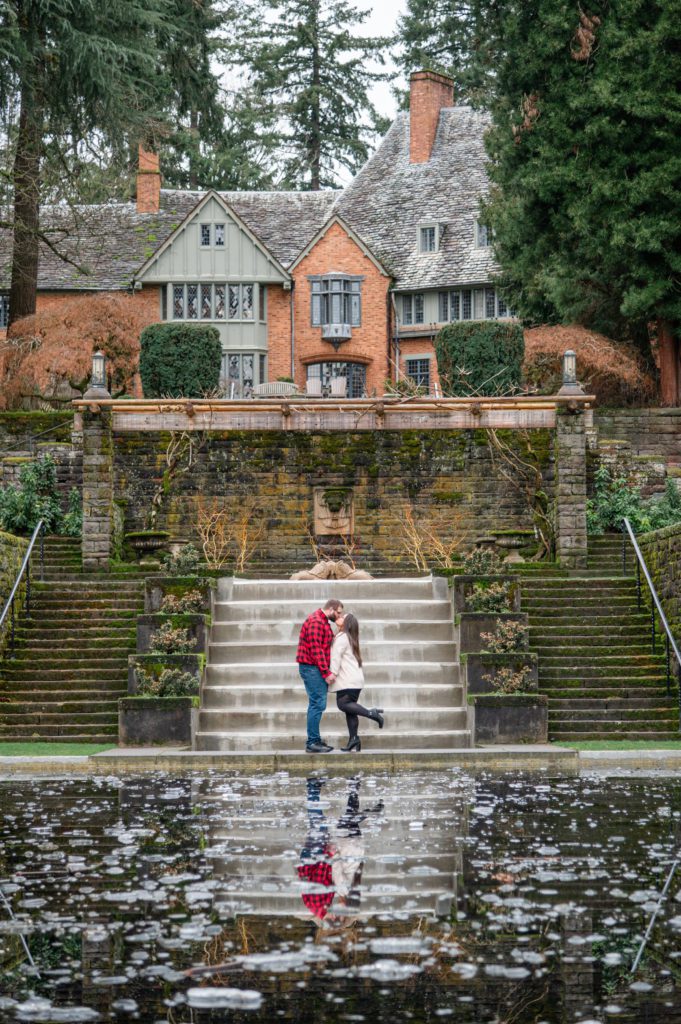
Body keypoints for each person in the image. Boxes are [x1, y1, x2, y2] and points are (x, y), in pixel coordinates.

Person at [329, 612, 384, 752]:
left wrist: (332, 674)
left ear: (346, 623)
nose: (339, 617)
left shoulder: (342, 638)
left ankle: (371, 713)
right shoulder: (350, 637)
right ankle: (354, 739)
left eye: (342, 617)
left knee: (343, 704)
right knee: (350, 711)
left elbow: (335, 658)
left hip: (348, 680)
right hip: (354, 679)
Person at [296, 598, 344, 754]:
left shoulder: (323, 621)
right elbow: (316, 650)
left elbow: (327, 644)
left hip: (314, 668)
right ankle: (312, 743)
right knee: (317, 704)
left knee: (317, 704)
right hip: (312, 668)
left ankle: (315, 739)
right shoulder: (317, 622)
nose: (338, 615)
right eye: (338, 612)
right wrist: (326, 673)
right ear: (330, 608)